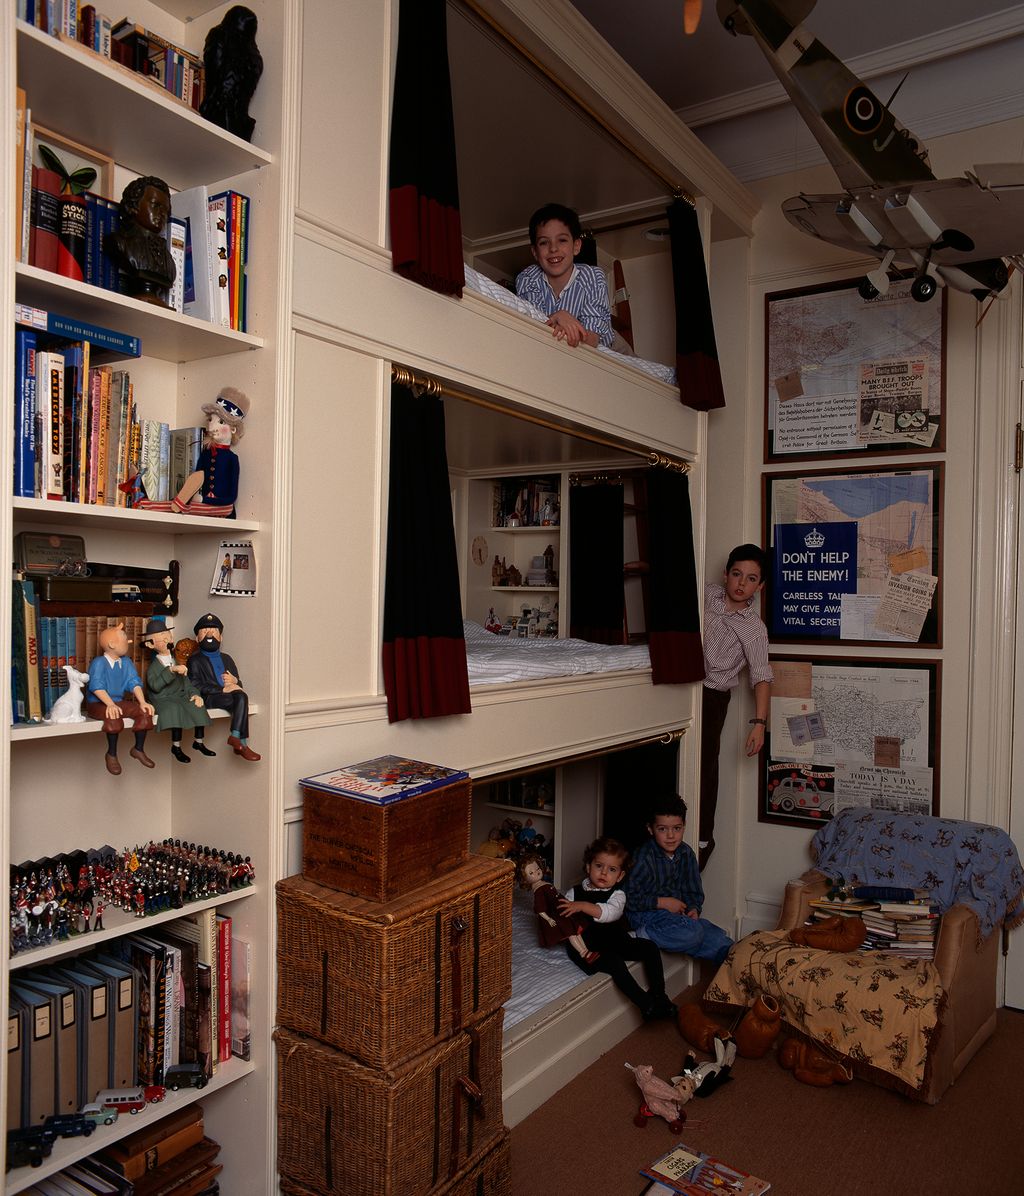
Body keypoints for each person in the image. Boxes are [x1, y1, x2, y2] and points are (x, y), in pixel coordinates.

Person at [699, 544, 773, 870]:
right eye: (737, 574)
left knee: (703, 767)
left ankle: (702, 839)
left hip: (711, 697)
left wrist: (759, 723)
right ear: (725, 574)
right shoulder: (707, 595)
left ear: (760, 586)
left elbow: (761, 676)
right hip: (676, 689)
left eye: (751, 578)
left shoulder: (754, 628)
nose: (742, 583)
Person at [558, 836, 676, 1021]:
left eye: (612, 869)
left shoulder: (618, 895)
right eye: (599, 866)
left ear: (620, 875)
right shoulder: (573, 893)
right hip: (589, 948)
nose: (604, 873)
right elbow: (564, 921)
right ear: (589, 866)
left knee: (649, 948)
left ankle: (659, 995)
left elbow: (609, 914)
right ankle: (646, 1005)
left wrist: (582, 906)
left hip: (615, 939)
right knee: (614, 963)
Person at [625, 795, 733, 965]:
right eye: (662, 829)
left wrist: (693, 909)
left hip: (675, 916)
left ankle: (734, 960)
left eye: (677, 828)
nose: (670, 835)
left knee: (712, 933)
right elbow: (629, 898)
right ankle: (641, 935)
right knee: (694, 932)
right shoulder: (644, 857)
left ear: (684, 826)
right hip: (646, 915)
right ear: (651, 829)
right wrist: (662, 902)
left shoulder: (686, 854)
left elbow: (693, 891)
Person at [515, 203, 613, 349]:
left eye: (562, 240)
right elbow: (534, 327)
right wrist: (558, 317)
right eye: (544, 242)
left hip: (606, 341)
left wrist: (564, 319)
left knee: (640, 366)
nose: (553, 248)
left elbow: (592, 339)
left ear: (576, 246)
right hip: (554, 349)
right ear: (535, 252)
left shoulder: (593, 276)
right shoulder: (528, 278)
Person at [187, 612, 260, 760]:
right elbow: (194, 684)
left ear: (221, 637)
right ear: (197, 638)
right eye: (205, 631)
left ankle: (236, 738)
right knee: (241, 699)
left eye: (214, 631)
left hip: (228, 695)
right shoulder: (195, 660)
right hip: (210, 698)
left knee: (241, 697)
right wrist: (221, 689)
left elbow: (237, 683)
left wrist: (235, 682)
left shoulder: (227, 658)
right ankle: (241, 742)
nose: (210, 634)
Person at [86, 623, 157, 775]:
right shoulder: (99, 663)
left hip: (118, 701)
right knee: (113, 715)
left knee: (143, 712)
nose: (129, 641)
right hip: (98, 703)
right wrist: (110, 704)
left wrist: (143, 702)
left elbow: (134, 682)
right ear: (112, 644)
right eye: (125, 639)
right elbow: (96, 686)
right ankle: (111, 754)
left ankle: (138, 749)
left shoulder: (126, 662)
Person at [140, 618, 213, 764]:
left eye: (168, 635)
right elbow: (154, 686)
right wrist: (171, 670)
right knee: (175, 709)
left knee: (196, 705)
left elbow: (187, 683)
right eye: (162, 638)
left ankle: (198, 741)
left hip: (179, 696)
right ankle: (176, 746)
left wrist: (195, 695)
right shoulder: (154, 667)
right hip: (162, 698)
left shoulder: (177, 661)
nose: (167, 639)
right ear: (150, 644)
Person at [104, 175, 175, 305]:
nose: (162, 213)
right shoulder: (121, 242)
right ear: (134, 205)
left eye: (165, 209)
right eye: (155, 205)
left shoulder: (168, 260)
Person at [516, 852, 598, 964]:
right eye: (531, 873)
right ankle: (583, 953)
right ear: (525, 879)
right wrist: (549, 919)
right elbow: (540, 909)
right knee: (571, 933)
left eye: (537, 868)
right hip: (556, 914)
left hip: (562, 909)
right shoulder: (538, 890)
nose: (536, 872)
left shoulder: (543, 883)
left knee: (575, 931)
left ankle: (587, 951)